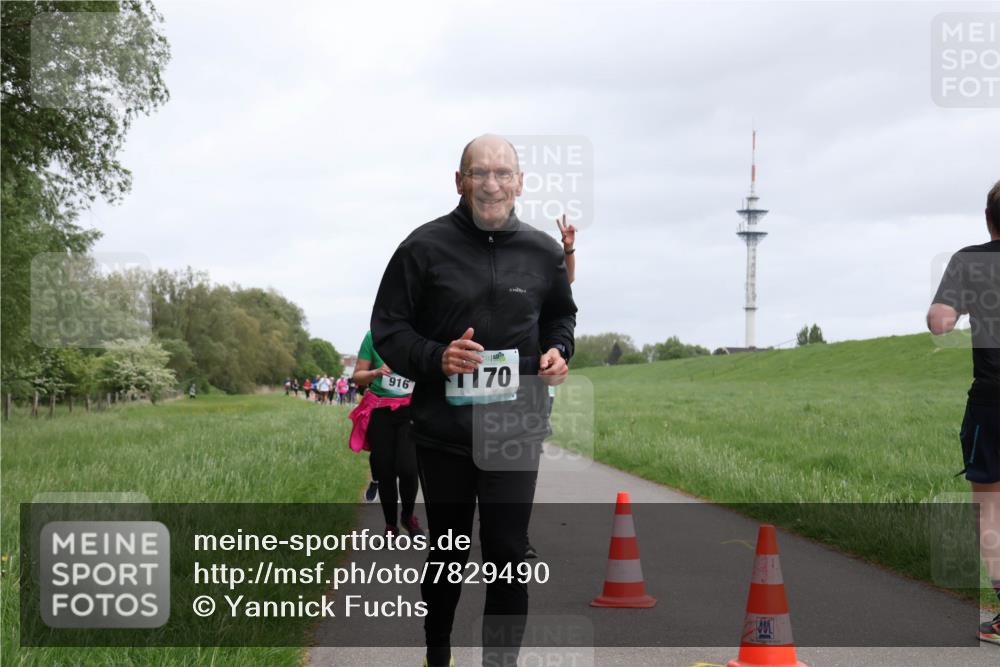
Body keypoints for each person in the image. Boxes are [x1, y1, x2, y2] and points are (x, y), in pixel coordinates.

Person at [371, 134, 576, 667]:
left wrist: (558, 349)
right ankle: (437, 653)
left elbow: (561, 316)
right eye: (479, 173)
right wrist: (437, 357)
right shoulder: (422, 247)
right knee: (449, 553)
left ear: (520, 182)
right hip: (444, 432)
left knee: (508, 554)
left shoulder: (543, 251)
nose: (491, 184)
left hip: (516, 429)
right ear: (458, 181)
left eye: (503, 173)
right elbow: (389, 329)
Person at [927, 178, 1000, 645]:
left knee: (991, 507)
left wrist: (958, 311)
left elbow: (940, 322)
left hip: (993, 400)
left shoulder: (970, 260)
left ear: (988, 219)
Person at [350, 330, 423, 536]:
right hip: (380, 410)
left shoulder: (420, 332)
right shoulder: (373, 336)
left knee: (408, 468)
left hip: (410, 408)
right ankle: (390, 524)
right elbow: (358, 376)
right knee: (385, 470)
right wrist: (375, 373)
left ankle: (408, 516)